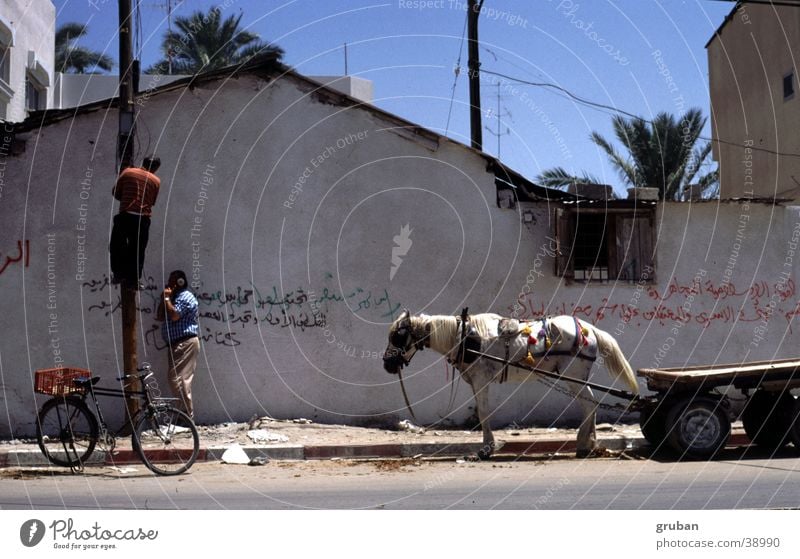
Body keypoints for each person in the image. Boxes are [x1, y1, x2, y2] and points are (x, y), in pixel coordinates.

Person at [109, 156, 161, 287]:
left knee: (117, 245)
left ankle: (118, 274)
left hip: (125, 215)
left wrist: (127, 196)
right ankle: (133, 280)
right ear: (155, 168)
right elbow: (152, 201)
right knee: (138, 250)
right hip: (142, 218)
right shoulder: (156, 181)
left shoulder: (127, 172)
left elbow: (115, 192)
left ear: (143, 163)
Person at [156, 270, 200, 419]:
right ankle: (183, 416)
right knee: (176, 380)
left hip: (185, 343)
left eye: (173, 281)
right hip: (176, 345)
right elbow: (160, 316)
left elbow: (174, 316)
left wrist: (168, 298)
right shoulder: (173, 298)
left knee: (180, 381)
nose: (169, 284)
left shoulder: (185, 296)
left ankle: (186, 418)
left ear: (180, 282)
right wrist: (164, 299)